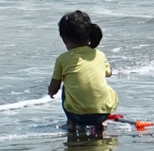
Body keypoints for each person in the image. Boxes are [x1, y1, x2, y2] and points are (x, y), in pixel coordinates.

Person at [48, 10, 118, 138]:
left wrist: (51, 93)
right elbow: (108, 73)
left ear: (64, 39)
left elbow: (54, 88)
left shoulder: (62, 59)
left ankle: (71, 124)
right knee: (100, 84)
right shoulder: (99, 55)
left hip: (77, 116)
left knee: (66, 86)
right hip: (103, 113)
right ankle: (99, 124)